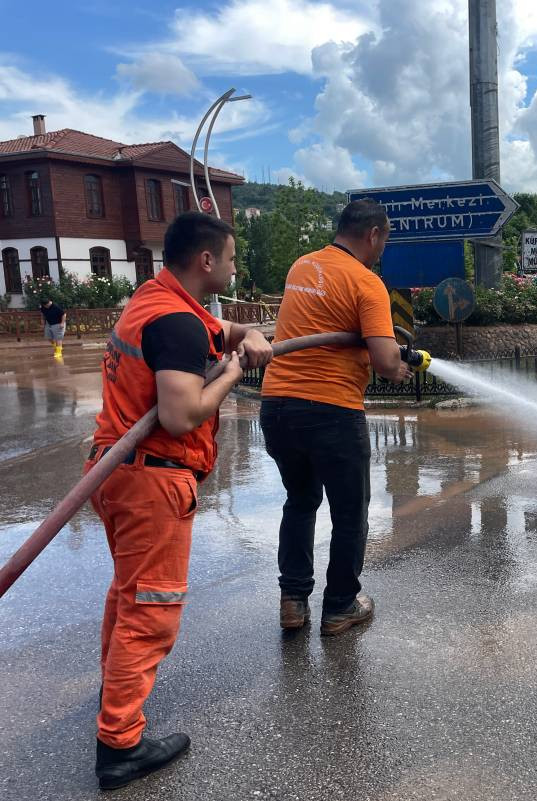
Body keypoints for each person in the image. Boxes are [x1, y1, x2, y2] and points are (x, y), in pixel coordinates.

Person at [87, 212, 273, 790]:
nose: (236, 268)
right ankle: (120, 744)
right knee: (152, 610)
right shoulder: (176, 323)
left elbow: (216, 329)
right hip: (153, 482)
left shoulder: (155, 298)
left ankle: (116, 690)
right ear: (206, 260)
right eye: (232, 258)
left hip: (115, 470)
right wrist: (236, 371)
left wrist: (247, 335)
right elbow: (180, 414)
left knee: (129, 592)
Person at [259, 199, 412, 638]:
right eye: (384, 241)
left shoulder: (302, 266)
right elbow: (385, 360)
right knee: (349, 513)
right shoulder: (367, 282)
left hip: (277, 405)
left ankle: (293, 601)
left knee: (300, 500)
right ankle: (341, 606)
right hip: (331, 408)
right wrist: (398, 368)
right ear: (373, 234)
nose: (382, 250)